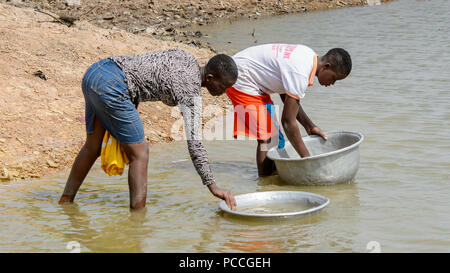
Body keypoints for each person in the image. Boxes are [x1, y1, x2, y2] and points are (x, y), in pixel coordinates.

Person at [58, 49, 238, 211]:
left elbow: (146, 71)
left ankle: (66, 202)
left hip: (96, 72)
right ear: (209, 78)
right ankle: (138, 221)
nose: (224, 92)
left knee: (93, 146)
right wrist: (213, 186)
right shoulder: (190, 91)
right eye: (223, 87)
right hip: (112, 86)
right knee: (140, 153)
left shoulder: (187, 57)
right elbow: (195, 145)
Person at [225, 44, 352, 176]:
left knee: (276, 138)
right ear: (327, 66)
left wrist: (309, 126)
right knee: (268, 137)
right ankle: (264, 182)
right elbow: (287, 122)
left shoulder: (308, 54)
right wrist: (308, 160)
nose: (332, 83)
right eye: (334, 78)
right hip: (240, 77)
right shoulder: (300, 72)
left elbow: (288, 96)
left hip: (250, 76)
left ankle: (271, 178)